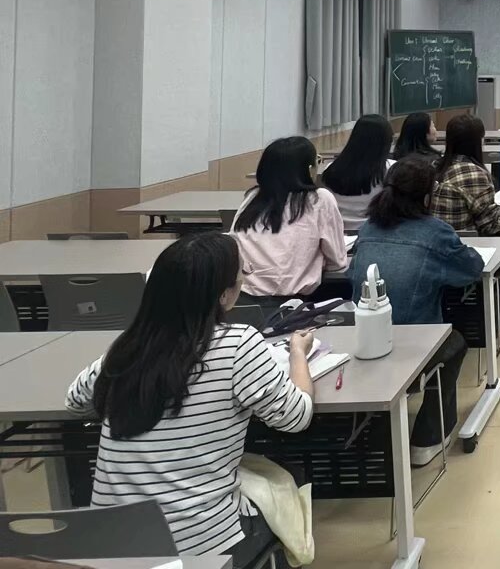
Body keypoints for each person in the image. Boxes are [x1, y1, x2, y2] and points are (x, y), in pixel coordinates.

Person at [66, 232, 314, 560]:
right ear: (224, 294)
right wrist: (298, 354)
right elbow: (296, 416)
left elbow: (76, 400)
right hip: (200, 548)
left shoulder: (130, 345)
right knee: (284, 490)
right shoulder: (238, 344)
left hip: (114, 548)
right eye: (241, 276)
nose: (243, 281)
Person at [350, 156, 487, 466]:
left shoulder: (368, 228)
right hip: (410, 350)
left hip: (362, 343)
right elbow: (471, 270)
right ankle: (429, 437)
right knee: (455, 342)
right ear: (427, 197)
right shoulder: (435, 232)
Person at [431, 114, 500, 317]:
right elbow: (490, 225)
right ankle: (493, 324)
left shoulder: (434, 167)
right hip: (461, 250)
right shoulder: (475, 174)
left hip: (432, 248)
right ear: (477, 141)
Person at [231, 136, 348, 302]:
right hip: (293, 303)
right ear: (310, 170)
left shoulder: (252, 197)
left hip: (243, 300)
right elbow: (337, 262)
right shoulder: (320, 199)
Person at [321, 112, 394, 226]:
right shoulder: (391, 168)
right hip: (373, 230)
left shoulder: (331, 168)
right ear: (386, 142)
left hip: (338, 229)